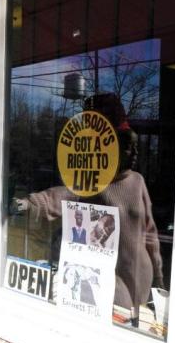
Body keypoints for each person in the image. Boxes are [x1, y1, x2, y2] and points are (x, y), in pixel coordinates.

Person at [13, 94, 163, 325]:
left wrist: (159, 279)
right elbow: (61, 195)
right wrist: (29, 204)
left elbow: (150, 233)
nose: (134, 154)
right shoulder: (93, 182)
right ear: (110, 150)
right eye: (126, 147)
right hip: (114, 288)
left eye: (135, 147)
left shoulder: (138, 181)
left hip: (143, 284)